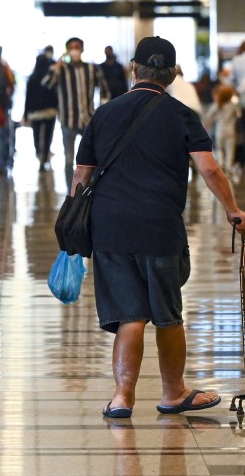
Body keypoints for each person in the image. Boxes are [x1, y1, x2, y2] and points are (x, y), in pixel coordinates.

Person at [72, 36, 244, 418]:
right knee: (167, 314)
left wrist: (77, 219)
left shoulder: (105, 114)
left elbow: (82, 175)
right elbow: (209, 169)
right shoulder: (183, 115)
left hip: (110, 229)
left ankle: (122, 398)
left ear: (134, 70)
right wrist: (233, 209)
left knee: (129, 315)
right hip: (160, 228)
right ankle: (173, 393)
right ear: (171, 74)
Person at [43, 36, 110, 190]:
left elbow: (105, 90)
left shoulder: (92, 68)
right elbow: (47, 83)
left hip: (88, 120)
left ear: (82, 49)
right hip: (68, 121)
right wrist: (58, 63)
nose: (75, 50)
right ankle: (71, 192)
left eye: (77, 47)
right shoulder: (62, 69)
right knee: (68, 159)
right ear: (67, 50)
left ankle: (92, 189)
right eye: (72, 47)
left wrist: (102, 112)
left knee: (93, 158)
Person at [24, 52, 59, 172]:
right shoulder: (49, 78)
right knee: (48, 135)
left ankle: (40, 154)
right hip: (50, 111)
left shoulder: (32, 78)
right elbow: (56, 95)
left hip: (35, 112)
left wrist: (26, 113)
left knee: (37, 135)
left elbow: (28, 97)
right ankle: (45, 154)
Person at [204, 83, 239, 173]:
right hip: (231, 130)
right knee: (230, 149)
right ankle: (228, 167)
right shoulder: (232, 104)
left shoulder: (218, 104)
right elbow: (238, 114)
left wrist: (208, 124)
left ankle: (221, 164)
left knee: (219, 148)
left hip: (220, 130)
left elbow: (209, 115)